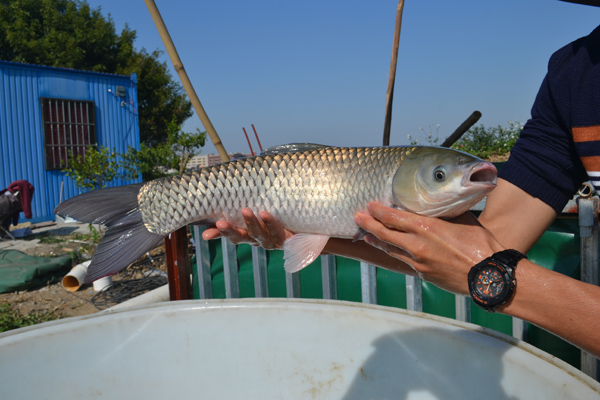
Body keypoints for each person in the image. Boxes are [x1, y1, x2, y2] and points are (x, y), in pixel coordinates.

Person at [203, 2, 600, 359]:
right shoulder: (572, 75)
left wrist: (500, 281)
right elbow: (486, 245)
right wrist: (312, 232)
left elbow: (483, 264)